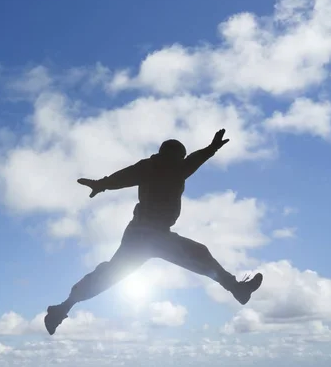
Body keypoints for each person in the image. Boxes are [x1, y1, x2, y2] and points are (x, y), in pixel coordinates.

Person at [44, 129, 263, 335]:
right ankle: (236, 288)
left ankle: (62, 309)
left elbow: (191, 161)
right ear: (171, 155)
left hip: (147, 235)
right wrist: (101, 184)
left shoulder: (171, 167)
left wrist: (212, 148)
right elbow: (125, 176)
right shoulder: (160, 167)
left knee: (110, 273)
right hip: (148, 234)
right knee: (197, 254)